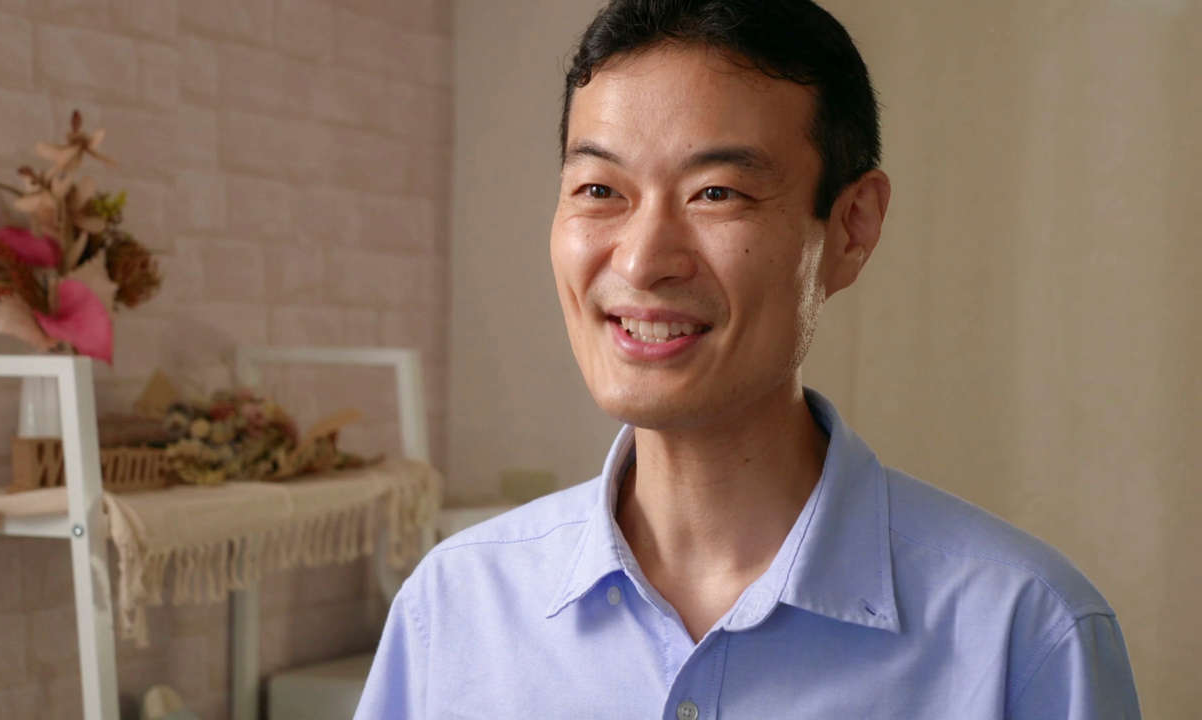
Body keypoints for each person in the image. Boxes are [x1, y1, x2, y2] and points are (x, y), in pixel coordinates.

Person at [356, 0, 1141, 717]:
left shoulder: (1026, 635)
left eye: (717, 192)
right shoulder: (453, 611)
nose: (643, 261)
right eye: (599, 190)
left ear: (852, 227)